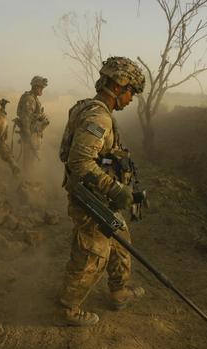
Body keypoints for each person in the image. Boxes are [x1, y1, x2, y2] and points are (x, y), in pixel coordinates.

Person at [58, 57, 146, 326]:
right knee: (92, 253)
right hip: (91, 199)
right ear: (119, 86)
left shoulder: (92, 109)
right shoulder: (98, 116)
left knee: (120, 241)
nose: (132, 99)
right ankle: (68, 309)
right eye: (131, 91)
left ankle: (119, 293)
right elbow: (79, 161)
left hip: (101, 195)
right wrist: (116, 189)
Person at [15, 75, 49, 177]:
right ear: (35, 87)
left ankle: (29, 179)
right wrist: (28, 137)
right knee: (29, 160)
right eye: (40, 87)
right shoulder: (29, 99)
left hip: (35, 134)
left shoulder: (33, 98)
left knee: (31, 160)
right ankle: (27, 181)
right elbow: (26, 120)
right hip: (31, 134)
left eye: (42, 87)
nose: (42, 90)